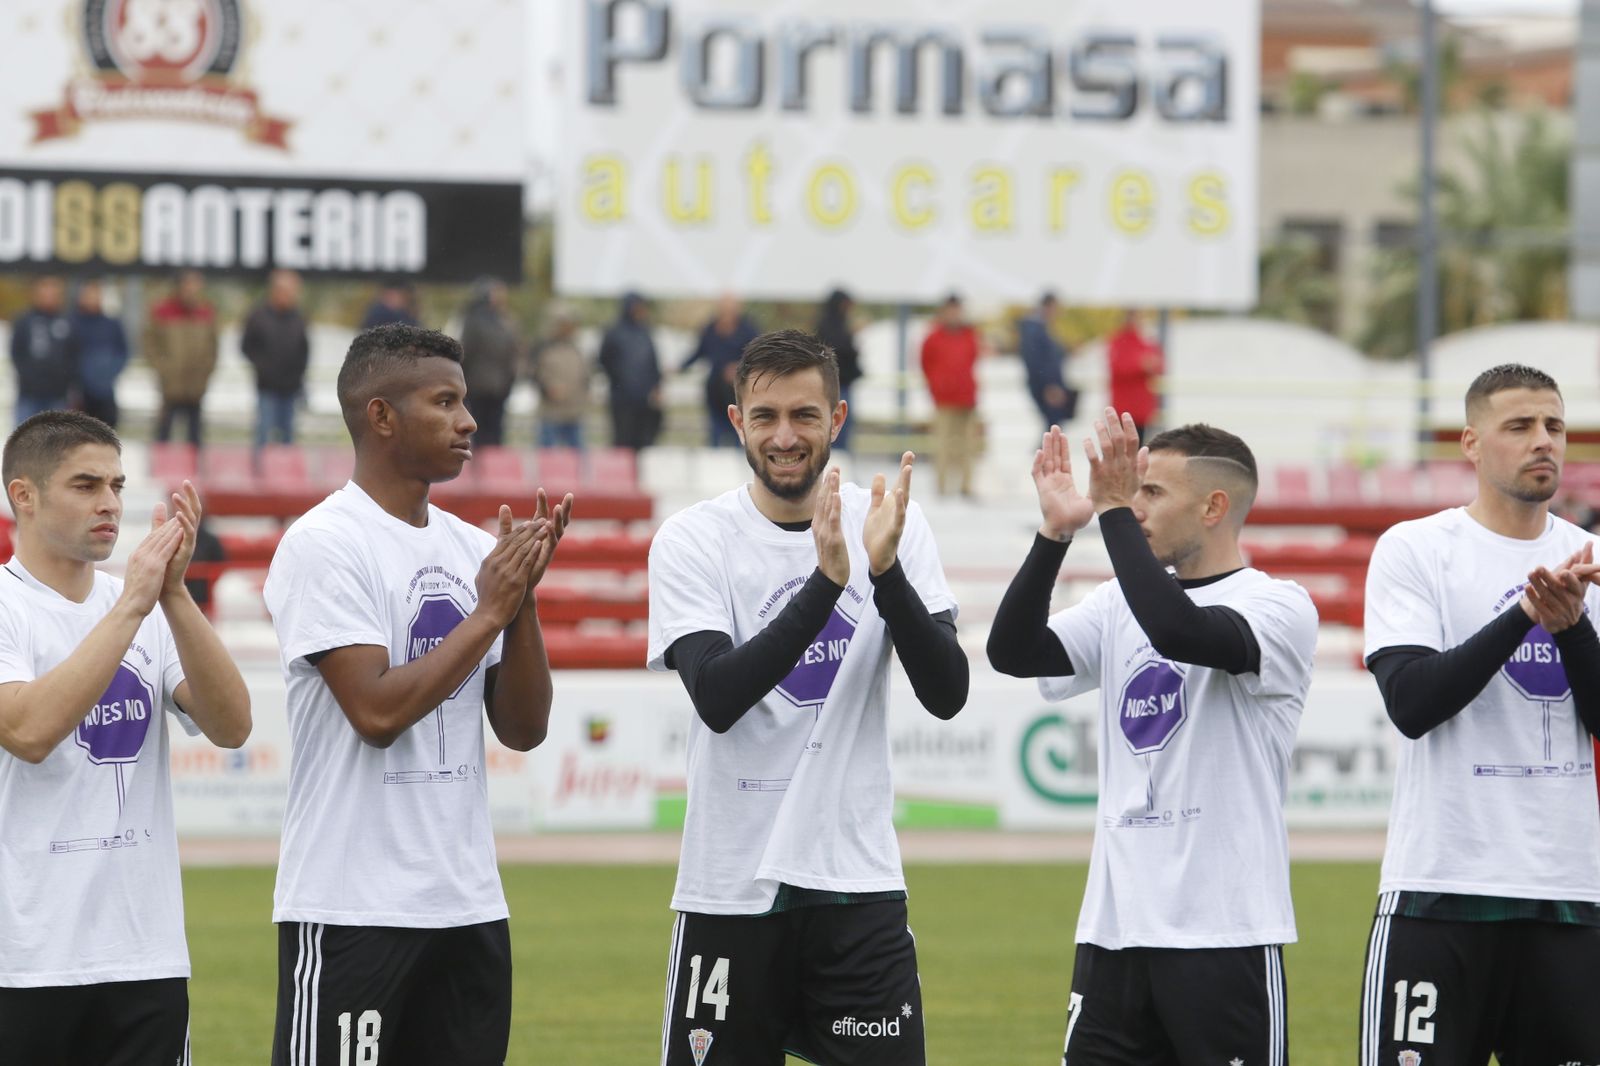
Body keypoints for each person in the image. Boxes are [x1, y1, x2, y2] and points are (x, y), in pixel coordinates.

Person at [648, 329, 968, 1066]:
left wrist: (884, 574)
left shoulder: (891, 521)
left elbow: (947, 692)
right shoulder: (694, 538)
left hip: (856, 885)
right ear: (737, 421)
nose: (785, 436)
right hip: (730, 886)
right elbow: (718, 696)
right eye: (765, 416)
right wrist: (826, 585)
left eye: (804, 415)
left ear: (838, 418)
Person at [262, 323, 572, 1066]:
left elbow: (524, 729)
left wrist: (522, 600)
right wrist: (489, 611)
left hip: (468, 907)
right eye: (445, 402)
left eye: (463, 401)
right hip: (352, 908)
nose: (469, 421)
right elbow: (375, 712)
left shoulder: (473, 549)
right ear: (381, 416)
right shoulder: (325, 543)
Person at [987, 413, 1318, 1066]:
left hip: (1225, 935)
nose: (1135, 505)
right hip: (1114, 935)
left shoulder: (1278, 606)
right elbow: (1013, 652)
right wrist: (1055, 535)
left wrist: (1111, 509)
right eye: (1132, 490)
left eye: (1153, 492)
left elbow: (1181, 632)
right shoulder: (1118, 603)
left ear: (1214, 507)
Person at [1359, 364, 1600, 1066]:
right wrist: (1525, 615)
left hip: (1566, 894)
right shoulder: (1416, 549)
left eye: (1554, 426)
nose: (1543, 441)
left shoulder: (1591, 561)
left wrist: (1573, 629)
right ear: (1470, 443)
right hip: (1440, 887)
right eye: (1519, 426)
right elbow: (1413, 704)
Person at [0, 410, 251, 1063]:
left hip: (145, 955)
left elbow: (231, 726)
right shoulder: (9, 607)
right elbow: (28, 731)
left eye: (116, 485)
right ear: (23, 495)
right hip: (24, 960)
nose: (109, 502)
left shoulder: (147, 607)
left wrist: (175, 597)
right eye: (85, 485)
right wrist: (136, 603)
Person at [144, 271, 218, 448]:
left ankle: (195, 466)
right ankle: (160, 465)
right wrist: (163, 368)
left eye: (196, 285)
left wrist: (205, 371)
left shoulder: (206, 311)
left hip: (196, 385)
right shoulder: (162, 310)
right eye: (188, 285)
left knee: (195, 437)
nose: (192, 290)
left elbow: (213, 347)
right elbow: (150, 343)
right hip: (170, 385)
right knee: (163, 435)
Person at [919, 294, 982, 497]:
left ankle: (966, 485)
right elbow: (925, 364)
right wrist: (937, 386)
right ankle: (941, 485)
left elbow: (973, 359)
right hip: (944, 399)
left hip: (966, 397)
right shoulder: (933, 337)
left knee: (968, 445)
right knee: (942, 444)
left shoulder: (969, 335)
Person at [241, 270, 311, 450]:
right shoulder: (258, 316)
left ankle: (286, 468)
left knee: (288, 438)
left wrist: (299, 377)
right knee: (263, 434)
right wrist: (263, 367)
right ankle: (259, 467)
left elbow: (303, 350)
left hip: (291, 387)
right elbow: (246, 346)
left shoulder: (298, 318)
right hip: (267, 387)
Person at [680, 294, 759, 448]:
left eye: (730, 309)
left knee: (740, 432)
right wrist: (681, 366)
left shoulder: (748, 329)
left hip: (738, 391)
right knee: (715, 433)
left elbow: (759, 355)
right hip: (715, 391)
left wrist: (739, 368)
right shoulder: (710, 328)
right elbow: (699, 352)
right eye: (724, 309)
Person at [458, 278, 523, 448]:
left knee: (492, 431)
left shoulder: (502, 320)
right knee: (484, 430)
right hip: (482, 385)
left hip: (496, 385)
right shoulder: (478, 320)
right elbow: (468, 352)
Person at [598, 292, 663, 452]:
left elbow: (653, 362)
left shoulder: (645, 331)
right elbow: (604, 360)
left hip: (645, 400)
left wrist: (656, 386)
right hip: (622, 399)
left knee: (645, 441)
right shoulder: (614, 332)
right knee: (623, 442)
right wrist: (619, 380)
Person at [9, 275, 77, 424]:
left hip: (58, 394)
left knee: (56, 436)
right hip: (29, 393)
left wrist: (66, 378)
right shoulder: (25, 321)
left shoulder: (67, 321)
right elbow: (16, 352)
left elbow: (74, 353)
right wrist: (27, 375)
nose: (49, 296)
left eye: (53, 291)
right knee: (26, 435)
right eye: (45, 291)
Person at [530, 303, 591, 450]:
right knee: (547, 454)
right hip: (551, 413)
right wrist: (547, 389)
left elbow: (586, 377)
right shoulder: (543, 348)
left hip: (574, 412)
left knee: (577, 455)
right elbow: (534, 374)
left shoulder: (578, 349)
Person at [71, 278, 129, 429]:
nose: (92, 298)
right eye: (88, 294)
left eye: (96, 294)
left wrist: (108, 374)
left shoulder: (111, 324)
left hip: (105, 391)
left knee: (106, 432)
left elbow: (122, 352)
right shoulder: (71, 323)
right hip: (79, 391)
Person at [1018, 292, 1076, 431]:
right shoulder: (1034, 330)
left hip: (1048, 386)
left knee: (1053, 427)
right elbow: (1035, 362)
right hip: (1047, 387)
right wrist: (1050, 386)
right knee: (1053, 428)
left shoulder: (1040, 328)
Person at [815, 289, 864, 452]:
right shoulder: (830, 326)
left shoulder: (834, 324)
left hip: (840, 384)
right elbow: (838, 351)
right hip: (836, 385)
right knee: (837, 428)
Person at [1106, 311, 1164, 441]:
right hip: (1125, 405)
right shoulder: (1119, 341)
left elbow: (1158, 365)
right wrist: (1141, 365)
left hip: (1139, 406)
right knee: (1125, 442)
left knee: (1137, 441)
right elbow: (1119, 367)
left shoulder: (1144, 341)